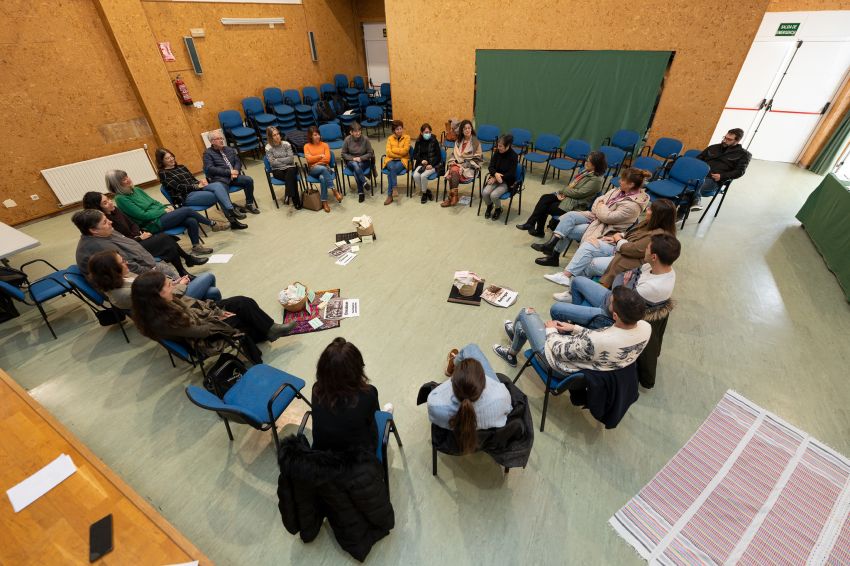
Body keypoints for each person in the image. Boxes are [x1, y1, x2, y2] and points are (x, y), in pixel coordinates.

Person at [130, 271, 295, 364]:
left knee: (243, 302)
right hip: (203, 336)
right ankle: (267, 332)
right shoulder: (164, 320)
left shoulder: (158, 304)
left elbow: (197, 305)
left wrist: (215, 311)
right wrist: (220, 316)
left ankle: (271, 329)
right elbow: (201, 331)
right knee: (243, 319)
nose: (173, 286)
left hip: (204, 316)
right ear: (157, 294)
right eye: (168, 285)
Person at [492, 287, 651, 375]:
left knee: (526, 313)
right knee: (525, 325)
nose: (607, 301)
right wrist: (574, 328)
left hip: (557, 364)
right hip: (588, 358)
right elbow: (599, 336)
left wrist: (551, 331)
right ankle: (520, 334)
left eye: (610, 303)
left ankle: (511, 354)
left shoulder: (598, 341)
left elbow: (558, 351)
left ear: (615, 316)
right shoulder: (645, 327)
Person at [545, 198, 677, 293]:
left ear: (658, 216)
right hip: (620, 247)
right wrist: (618, 237)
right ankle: (565, 276)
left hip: (629, 259)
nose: (647, 210)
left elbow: (632, 250)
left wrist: (618, 239)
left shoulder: (657, 235)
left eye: (650, 210)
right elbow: (631, 234)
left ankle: (574, 291)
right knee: (588, 245)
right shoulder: (649, 223)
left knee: (592, 263)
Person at [550, 234, 680, 328]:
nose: (645, 249)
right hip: (613, 298)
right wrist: (625, 285)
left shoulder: (653, 287)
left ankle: (570, 329)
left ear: (654, 257)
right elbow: (621, 277)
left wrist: (624, 285)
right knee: (577, 281)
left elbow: (618, 296)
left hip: (613, 315)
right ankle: (578, 322)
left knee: (556, 309)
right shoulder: (654, 265)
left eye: (647, 248)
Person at [532, 168, 651, 267]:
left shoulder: (633, 205)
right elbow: (598, 201)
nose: (619, 181)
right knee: (570, 216)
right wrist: (601, 207)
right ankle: (550, 245)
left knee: (568, 229)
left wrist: (601, 206)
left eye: (623, 180)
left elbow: (608, 218)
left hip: (607, 228)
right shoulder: (619, 190)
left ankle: (554, 257)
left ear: (631, 184)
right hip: (597, 218)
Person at [81, 191, 207, 277]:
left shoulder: (114, 211)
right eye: (105, 202)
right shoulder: (103, 225)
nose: (110, 202)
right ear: (97, 208)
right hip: (134, 243)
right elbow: (122, 242)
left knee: (167, 238)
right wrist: (138, 237)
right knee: (166, 239)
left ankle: (184, 268)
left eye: (108, 199)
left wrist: (139, 234)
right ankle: (185, 267)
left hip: (137, 238)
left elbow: (132, 224)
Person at [105, 169, 223, 255]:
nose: (128, 180)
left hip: (160, 216)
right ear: (117, 185)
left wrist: (165, 208)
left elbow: (155, 202)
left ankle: (196, 246)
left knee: (190, 220)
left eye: (127, 176)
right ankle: (212, 224)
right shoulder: (121, 199)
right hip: (151, 224)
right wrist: (163, 212)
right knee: (186, 210)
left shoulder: (137, 189)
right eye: (123, 180)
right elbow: (142, 215)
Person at [426, 344, 512, 453]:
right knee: (472, 349)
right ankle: (454, 363)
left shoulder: (435, 404)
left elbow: (434, 417)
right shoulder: (502, 396)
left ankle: (452, 365)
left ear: (453, 383)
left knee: (470, 350)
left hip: (450, 444)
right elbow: (508, 409)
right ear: (484, 383)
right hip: (489, 442)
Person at [310, 337, 388, 453]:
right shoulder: (368, 393)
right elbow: (372, 420)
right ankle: (388, 414)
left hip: (324, 458)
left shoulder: (317, 390)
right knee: (379, 417)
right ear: (357, 370)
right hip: (359, 460)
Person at [87, 250, 220, 310]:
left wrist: (172, 283)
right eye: (122, 262)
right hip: (167, 307)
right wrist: (180, 285)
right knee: (208, 277)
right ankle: (208, 310)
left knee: (212, 292)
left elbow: (152, 286)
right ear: (112, 270)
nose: (126, 262)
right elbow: (161, 300)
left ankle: (209, 309)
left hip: (166, 295)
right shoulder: (122, 293)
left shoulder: (122, 277)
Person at [516, 151, 607, 236]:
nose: (586, 162)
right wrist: (562, 193)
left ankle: (536, 228)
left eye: (588, 161)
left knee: (546, 206)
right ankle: (531, 224)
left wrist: (563, 191)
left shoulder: (596, 180)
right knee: (545, 198)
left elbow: (579, 193)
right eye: (587, 160)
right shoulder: (586, 171)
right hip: (569, 196)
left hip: (575, 204)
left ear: (595, 164)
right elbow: (573, 186)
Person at [72, 209, 179, 280]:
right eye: (104, 222)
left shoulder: (105, 231)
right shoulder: (100, 248)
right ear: (93, 230)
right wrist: (153, 272)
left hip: (145, 266)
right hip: (132, 280)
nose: (110, 222)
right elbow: (129, 268)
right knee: (170, 276)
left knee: (167, 266)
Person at [156, 147, 248, 229]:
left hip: (197, 189)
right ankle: (233, 219)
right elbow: (179, 187)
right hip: (186, 196)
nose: (171, 159)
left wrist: (200, 182)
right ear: (162, 161)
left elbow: (193, 180)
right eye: (167, 158)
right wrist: (196, 186)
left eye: (172, 156)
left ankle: (231, 211)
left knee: (219, 185)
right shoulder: (163, 173)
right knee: (218, 194)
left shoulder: (181, 167)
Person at [691, 128, 751, 211]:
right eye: (725, 137)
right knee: (686, 183)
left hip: (714, 180)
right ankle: (696, 200)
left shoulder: (744, 154)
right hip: (699, 175)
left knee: (689, 186)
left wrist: (722, 176)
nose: (725, 140)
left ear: (737, 141)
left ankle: (682, 213)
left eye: (729, 139)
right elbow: (698, 159)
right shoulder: (713, 147)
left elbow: (740, 172)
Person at [202, 130, 260, 214]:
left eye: (221, 138)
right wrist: (229, 172)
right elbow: (210, 168)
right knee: (221, 190)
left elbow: (238, 161)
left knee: (248, 180)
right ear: (212, 141)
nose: (221, 140)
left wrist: (236, 171)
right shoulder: (207, 153)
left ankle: (249, 204)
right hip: (221, 179)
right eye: (218, 139)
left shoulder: (229, 149)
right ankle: (231, 210)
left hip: (234, 176)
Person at [441, 120, 483, 208]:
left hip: (470, 168)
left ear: (471, 129)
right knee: (453, 169)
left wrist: (463, 165)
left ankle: (451, 197)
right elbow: (453, 155)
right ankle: (454, 197)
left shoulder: (475, 142)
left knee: (453, 171)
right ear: (462, 131)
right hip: (457, 167)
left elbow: (478, 159)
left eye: (469, 128)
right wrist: (452, 162)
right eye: (465, 129)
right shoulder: (458, 141)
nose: (467, 130)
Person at [304, 126, 341, 213]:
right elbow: (308, 160)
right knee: (322, 169)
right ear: (310, 136)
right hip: (313, 170)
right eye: (315, 135)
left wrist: (316, 162)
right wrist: (320, 156)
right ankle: (334, 191)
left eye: (318, 134)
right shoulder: (306, 146)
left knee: (322, 177)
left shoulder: (325, 145)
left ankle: (324, 202)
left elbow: (327, 159)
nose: (318, 137)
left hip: (324, 168)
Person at [481, 134, 519, 222]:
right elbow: (491, 166)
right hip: (495, 177)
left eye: (501, 146)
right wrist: (495, 175)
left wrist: (497, 177)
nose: (498, 148)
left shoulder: (514, 156)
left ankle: (498, 209)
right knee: (485, 192)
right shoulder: (497, 152)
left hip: (506, 181)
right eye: (498, 145)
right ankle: (490, 206)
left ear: (507, 146)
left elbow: (511, 174)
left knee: (494, 195)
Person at [265, 126, 301, 210]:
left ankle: (288, 194)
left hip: (290, 168)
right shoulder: (268, 147)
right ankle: (296, 202)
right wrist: (284, 161)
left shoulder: (286, 144)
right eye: (274, 135)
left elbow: (291, 158)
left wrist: (278, 160)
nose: (277, 136)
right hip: (278, 171)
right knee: (292, 177)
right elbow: (272, 163)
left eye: (278, 134)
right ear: (270, 137)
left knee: (291, 172)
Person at [340, 121, 375, 203]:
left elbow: (370, 153)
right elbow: (343, 154)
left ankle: (361, 192)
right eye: (355, 131)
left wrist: (361, 158)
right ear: (351, 132)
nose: (358, 133)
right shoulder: (347, 140)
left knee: (356, 169)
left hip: (364, 161)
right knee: (355, 164)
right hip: (351, 162)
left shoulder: (365, 139)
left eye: (359, 131)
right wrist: (353, 158)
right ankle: (364, 182)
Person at [410, 123, 442, 204]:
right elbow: (415, 154)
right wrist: (421, 161)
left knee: (423, 176)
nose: (428, 134)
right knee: (415, 175)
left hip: (433, 164)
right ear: (421, 133)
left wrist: (431, 164)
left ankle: (424, 194)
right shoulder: (418, 141)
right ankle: (426, 191)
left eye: (429, 132)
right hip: (421, 164)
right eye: (426, 132)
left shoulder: (434, 141)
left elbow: (439, 156)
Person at [382, 120, 410, 205]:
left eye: (400, 128)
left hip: (402, 161)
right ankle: (394, 188)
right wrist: (398, 154)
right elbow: (388, 152)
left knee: (391, 172)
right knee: (392, 168)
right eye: (397, 129)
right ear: (394, 130)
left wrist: (394, 151)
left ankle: (390, 195)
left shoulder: (407, 137)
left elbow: (405, 151)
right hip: (390, 160)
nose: (399, 131)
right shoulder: (390, 138)